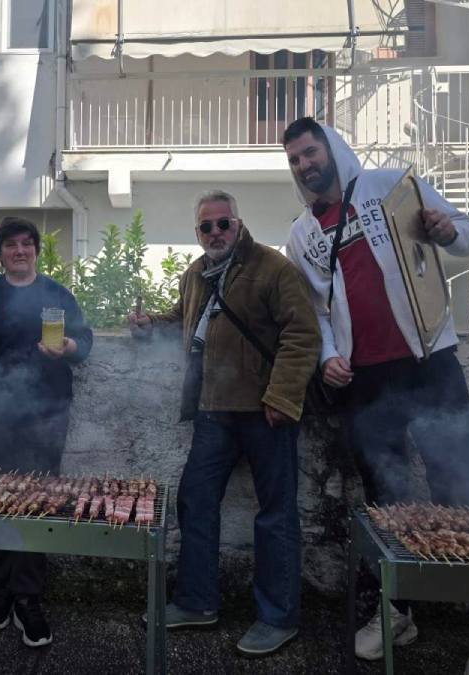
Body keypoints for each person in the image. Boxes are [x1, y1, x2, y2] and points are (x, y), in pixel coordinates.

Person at [282, 117, 469, 675]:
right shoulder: (301, 234)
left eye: (310, 152)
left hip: (430, 365)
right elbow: (315, 311)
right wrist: (328, 356)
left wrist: (446, 231)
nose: (305, 166)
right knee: (387, 501)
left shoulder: (391, 186)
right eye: (295, 161)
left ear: (331, 148)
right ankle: (398, 610)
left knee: (459, 490)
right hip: (365, 383)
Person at [127, 190, 320, 657]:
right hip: (213, 410)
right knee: (195, 501)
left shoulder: (272, 267)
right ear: (197, 233)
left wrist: (281, 396)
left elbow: (303, 333)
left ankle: (278, 618)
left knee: (274, 515)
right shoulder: (196, 273)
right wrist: (152, 323)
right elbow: (187, 319)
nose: (215, 233)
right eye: (206, 227)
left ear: (238, 223)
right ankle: (197, 602)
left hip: (265, 411)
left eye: (222, 223)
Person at [0, 217, 93, 649]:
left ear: (35, 251)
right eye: (11, 245)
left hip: (46, 414)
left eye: (27, 244)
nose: (20, 251)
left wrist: (67, 347)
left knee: (36, 507)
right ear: (1, 253)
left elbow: (84, 342)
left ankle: (28, 597)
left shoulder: (57, 295)